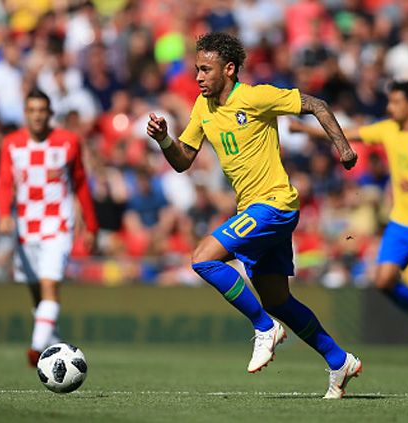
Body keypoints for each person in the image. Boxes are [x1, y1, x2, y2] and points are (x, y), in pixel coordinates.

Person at [146, 32, 361, 399]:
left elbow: (317, 104)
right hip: (255, 210)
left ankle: (265, 328)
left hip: (274, 204)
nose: (198, 77)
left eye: (205, 69)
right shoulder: (202, 108)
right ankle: (339, 360)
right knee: (278, 299)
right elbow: (183, 161)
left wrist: (343, 148)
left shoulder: (256, 96)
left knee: (202, 258)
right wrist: (165, 139)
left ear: (228, 70)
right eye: (196, 69)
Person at [292, 81, 408, 373]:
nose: (389, 106)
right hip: (401, 223)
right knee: (383, 280)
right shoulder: (387, 129)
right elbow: (349, 134)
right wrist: (305, 130)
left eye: (395, 101)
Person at [0, 89, 98, 366]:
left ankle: (36, 348)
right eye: (32, 110)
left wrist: (91, 225)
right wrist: (4, 213)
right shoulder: (12, 144)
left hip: (58, 225)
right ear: (25, 114)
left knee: (49, 285)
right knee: (36, 292)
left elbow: (80, 184)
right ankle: (55, 348)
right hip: (25, 227)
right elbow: (5, 182)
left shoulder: (68, 142)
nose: (38, 115)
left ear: (50, 114)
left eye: (42, 110)